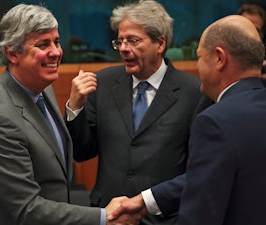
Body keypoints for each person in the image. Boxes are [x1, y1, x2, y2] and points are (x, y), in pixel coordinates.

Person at [0, 4, 136, 225]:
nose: (56, 52)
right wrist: (104, 217)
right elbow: (27, 208)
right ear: (12, 53)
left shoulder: (42, 86)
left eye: (56, 41)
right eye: (43, 44)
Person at [109, 15, 266, 225]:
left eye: (200, 57)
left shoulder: (215, 122)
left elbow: (200, 213)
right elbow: (217, 174)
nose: (197, 66)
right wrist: (147, 200)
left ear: (219, 58)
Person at [65, 1, 211, 224]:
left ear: (160, 43)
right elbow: (83, 152)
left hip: (164, 219)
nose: (123, 48)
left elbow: (202, 169)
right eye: (120, 41)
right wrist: (75, 107)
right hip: (109, 216)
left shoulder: (193, 92)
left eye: (133, 40)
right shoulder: (102, 84)